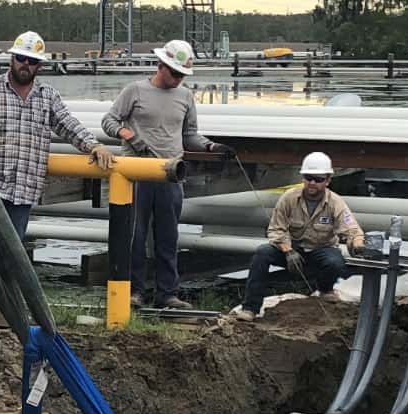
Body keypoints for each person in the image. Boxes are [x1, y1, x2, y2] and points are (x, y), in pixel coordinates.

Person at [0, 30, 112, 305]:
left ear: (39, 65)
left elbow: (67, 124)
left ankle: (4, 297)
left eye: (31, 61)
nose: (25, 65)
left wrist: (93, 146)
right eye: (21, 58)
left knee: (12, 246)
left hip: (24, 184)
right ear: (11, 59)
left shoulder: (47, 96)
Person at [103, 37, 217, 310]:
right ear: (161, 66)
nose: (178, 78)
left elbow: (189, 134)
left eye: (183, 74)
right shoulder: (135, 91)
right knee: (135, 236)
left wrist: (211, 145)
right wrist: (128, 135)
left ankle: (167, 293)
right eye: (175, 73)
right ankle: (134, 291)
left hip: (169, 173)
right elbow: (109, 121)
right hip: (137, 173)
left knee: (168, 237)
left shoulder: (186, 96)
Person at [228, 152, 365, 321]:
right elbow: (276, 229)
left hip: (320, 250)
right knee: (262, 254)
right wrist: (287, 250)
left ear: (328, 180)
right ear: (303, 178)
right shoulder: (289, 198)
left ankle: (325, 290)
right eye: (309, 178)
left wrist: (358, 245)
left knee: (335, 262)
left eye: (318, 179)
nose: (312, 183)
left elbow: (352, 230)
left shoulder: (336, 203)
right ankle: (250, 308)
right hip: (292, 249)